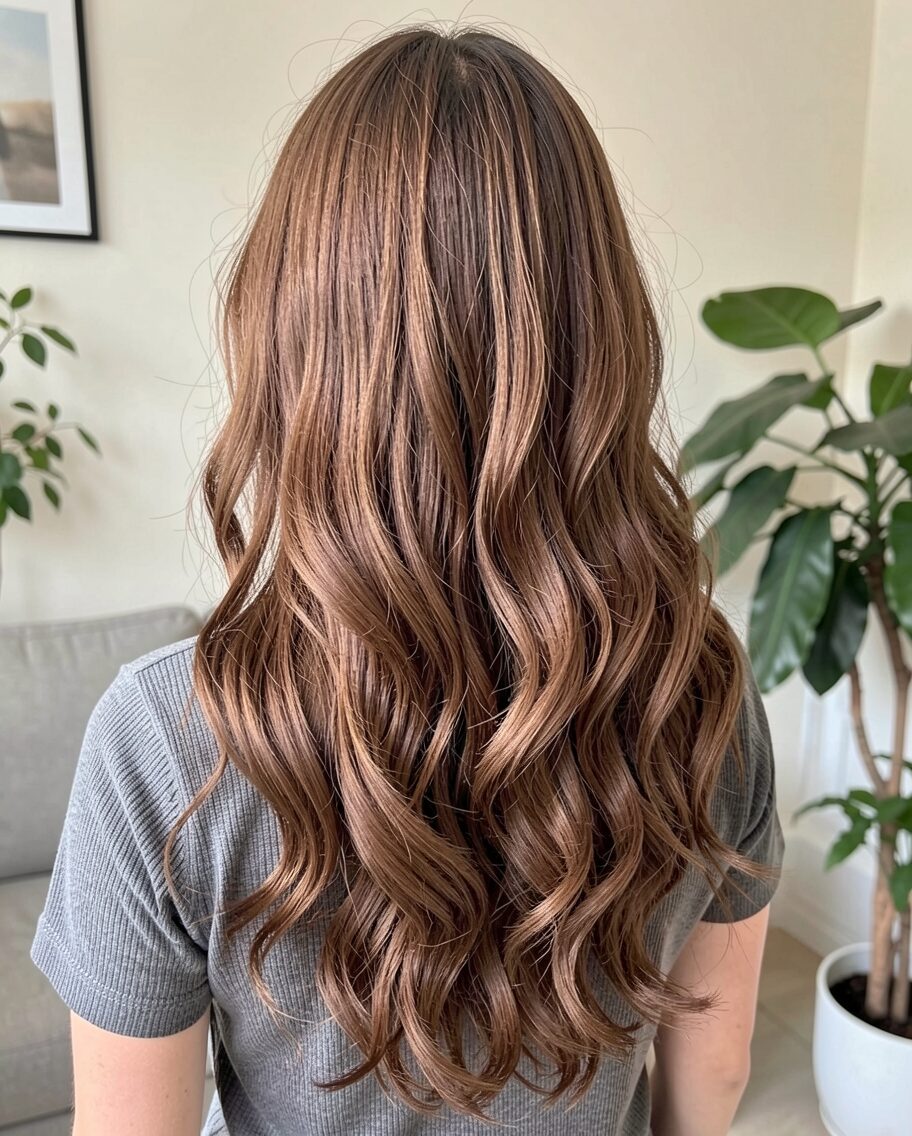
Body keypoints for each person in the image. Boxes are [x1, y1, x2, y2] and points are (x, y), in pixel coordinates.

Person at [29, 23, 784, 1136]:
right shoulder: (701, 691)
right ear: (604, 336)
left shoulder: (165, 740)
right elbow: (711, 1079)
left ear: (287, 337)